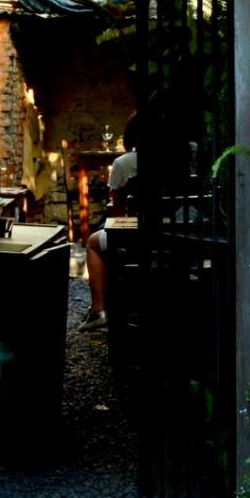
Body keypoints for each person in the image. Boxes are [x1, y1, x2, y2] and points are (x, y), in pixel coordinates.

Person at [78, 113, 138, 333]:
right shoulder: (189, 155)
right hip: (180, 236)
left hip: (137, 239)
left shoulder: (124, 163)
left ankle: (99, 310)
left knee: (94, 242)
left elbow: (118, 217)